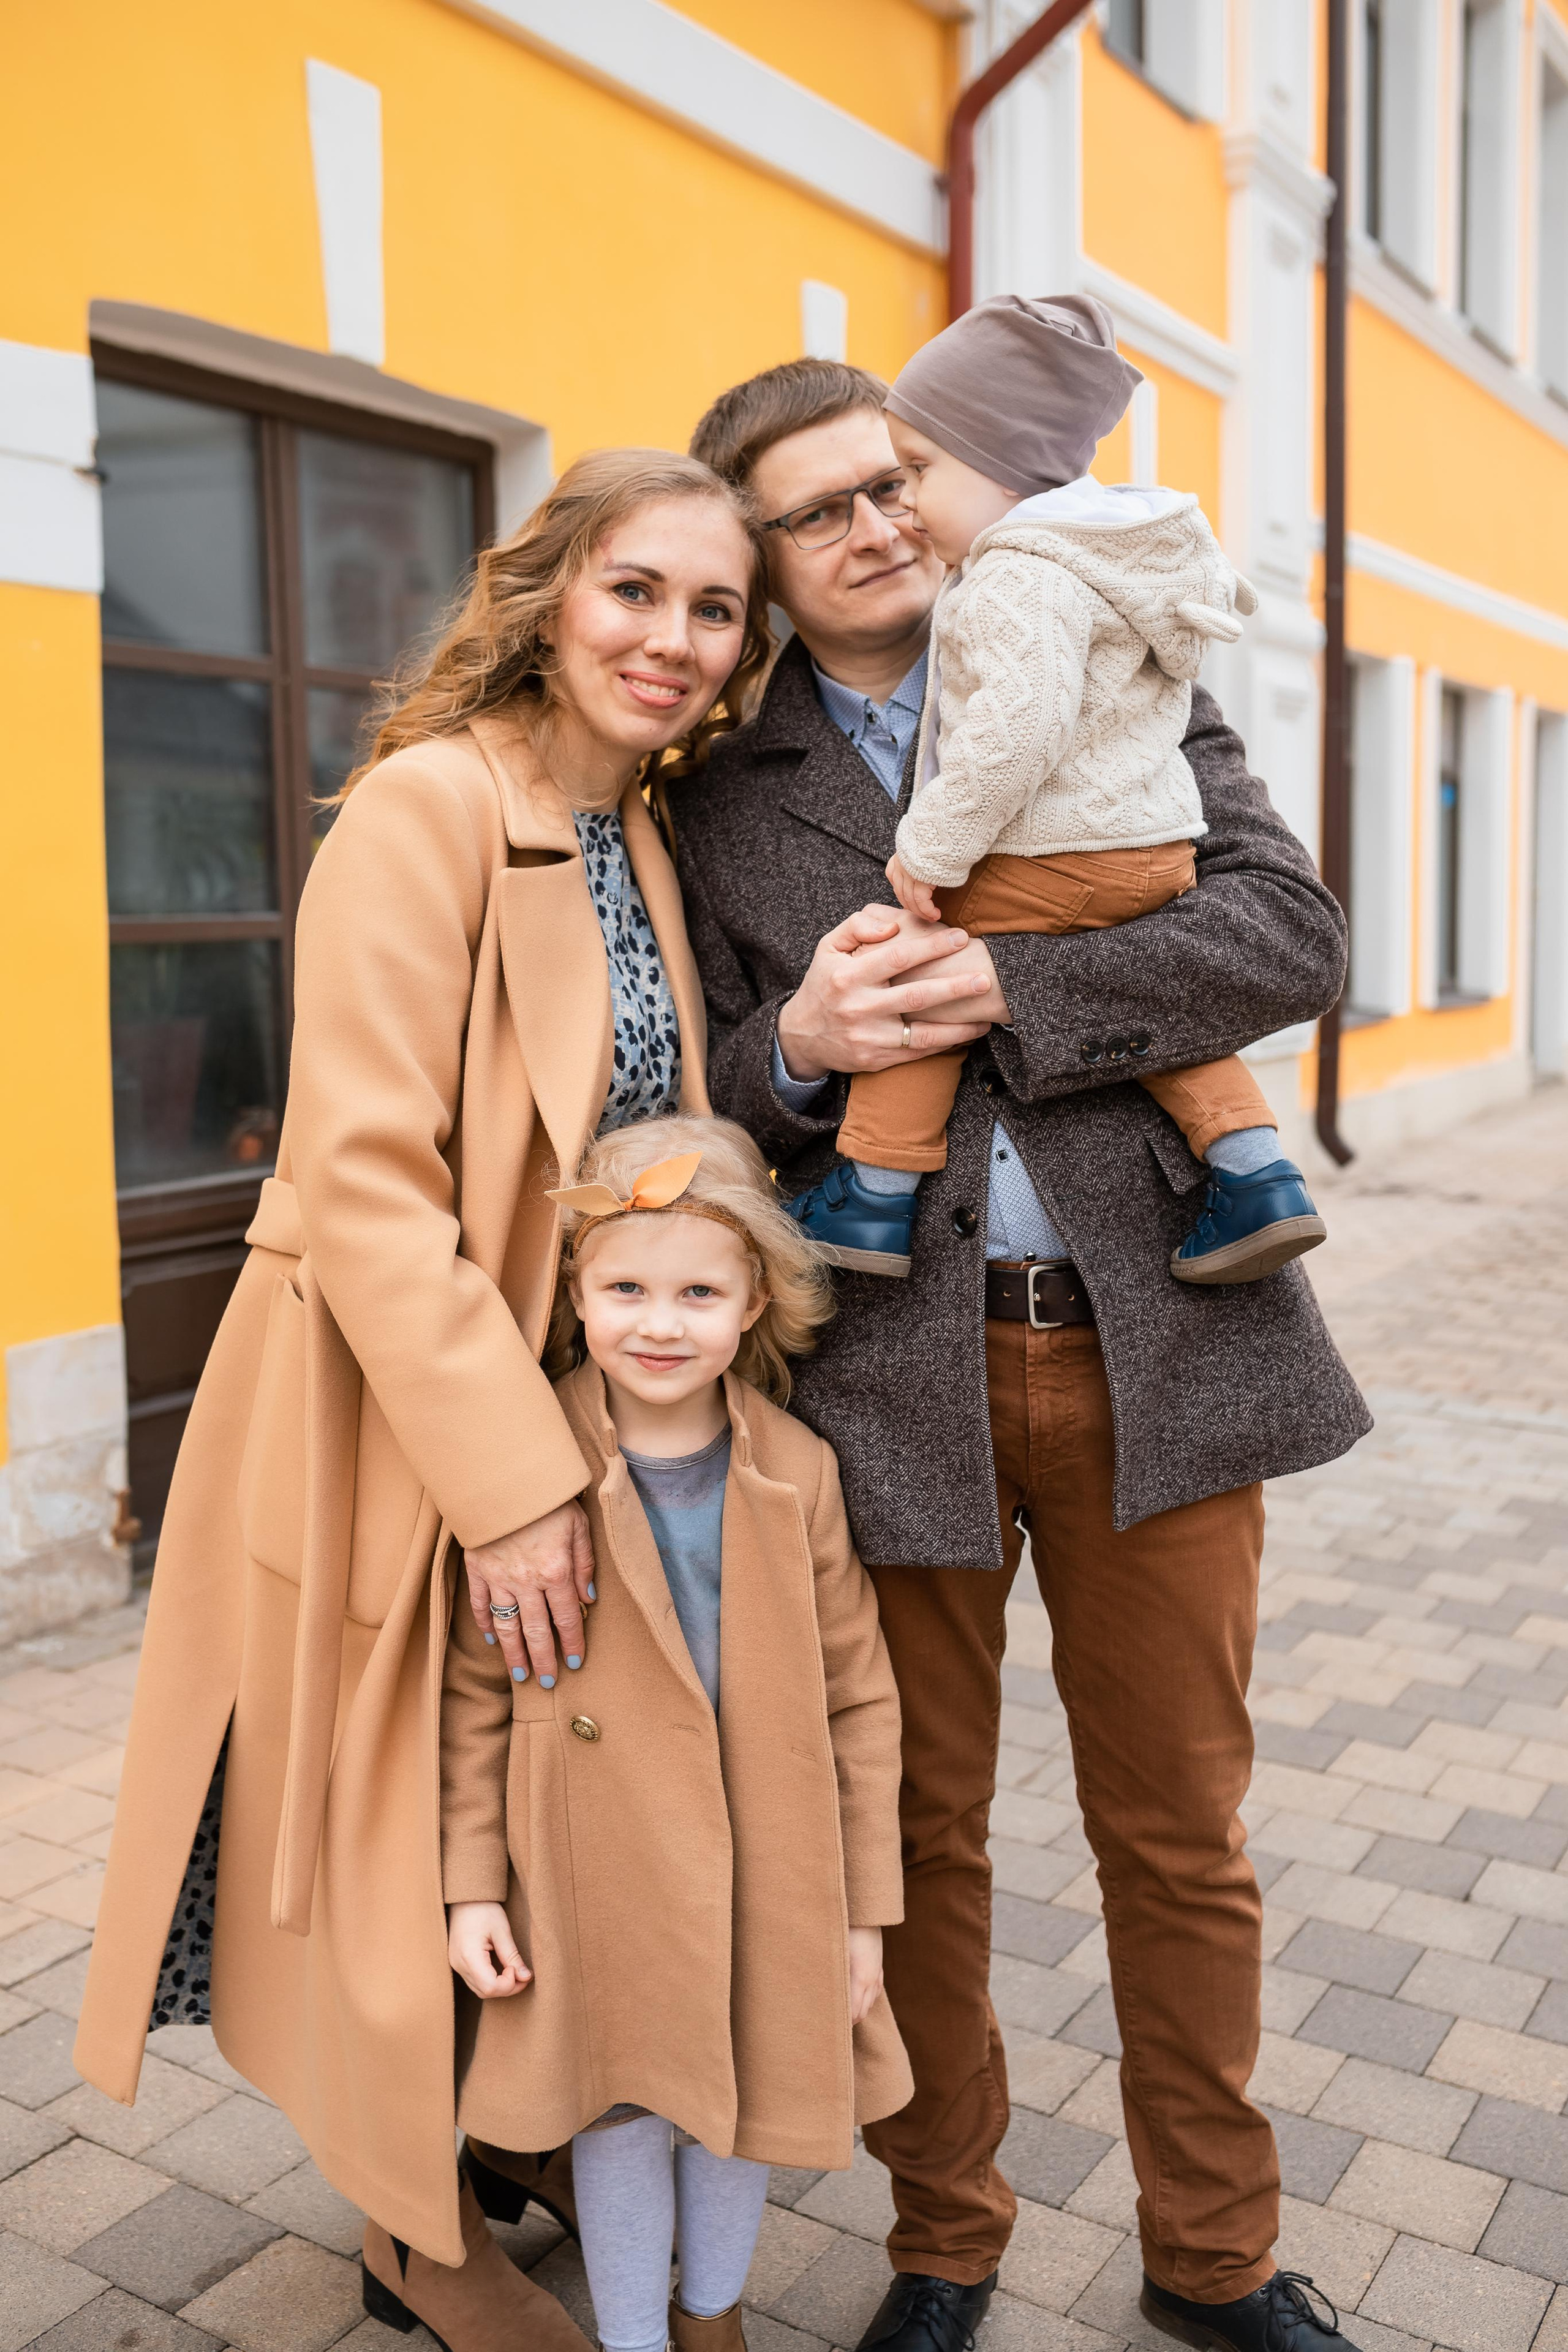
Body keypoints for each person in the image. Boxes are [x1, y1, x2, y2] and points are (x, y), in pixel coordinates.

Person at [671, 358, 1373, 2352]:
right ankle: (945, 2240)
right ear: (769, 558)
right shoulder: (723, 804)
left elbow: (1290, 939)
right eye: (820, 511)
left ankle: (1215, 2263)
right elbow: (714, 1082)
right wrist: (803, 1046)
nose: (879, 523)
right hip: (896, 1373)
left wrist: (1013, 979)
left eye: (891, 477)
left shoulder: (1122, 654)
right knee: (919, 1841)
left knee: (1182, 1838)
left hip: (1171, 1341)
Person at [75, 448, 774, 2352]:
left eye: (714, 608)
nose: (673, 638)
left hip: (582, 1404)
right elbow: (369, 1181)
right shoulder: (423, 807)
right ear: (549, 591)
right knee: (387, 1824)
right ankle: (410, 2226)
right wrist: (512, 1482)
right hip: (395, 1404)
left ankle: (512, 2130)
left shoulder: (632, 831)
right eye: (637, 589)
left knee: (542, 1807)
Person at [431, 1114, 911, 2352]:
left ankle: (713, 2321)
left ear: (754, 1301)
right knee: (621, 2111)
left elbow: (859, 1697)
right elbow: (476, 1694)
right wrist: (470, 1886)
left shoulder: (794, 1471)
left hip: (764, 1857)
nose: (659, 1322)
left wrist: (860, 1910)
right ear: (575, 1291)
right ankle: (637, 2338)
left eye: (698, 1290)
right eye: (625, 1287)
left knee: (736, 2102)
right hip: (590, 1859)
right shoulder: (523, 1467)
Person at [786, 295, 1324, 1289]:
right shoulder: (1103, 567)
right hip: (1146, 856)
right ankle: (1256, 1172)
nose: (894, 514)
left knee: (913, 968)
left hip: (1057, 855)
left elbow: (1014, 733)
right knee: (1146, 1002)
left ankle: (869, 1193)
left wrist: (931, 854)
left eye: (912, 476)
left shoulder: (1016, 575)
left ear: (1000, 466)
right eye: (819, 514)